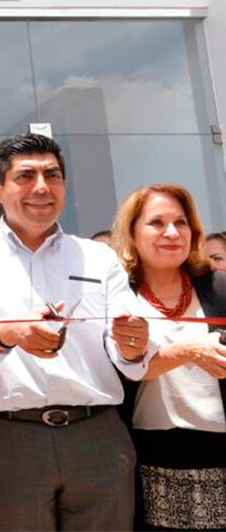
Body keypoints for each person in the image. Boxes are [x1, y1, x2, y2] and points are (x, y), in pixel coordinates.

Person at [0, 133, 151, 531]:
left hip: (97, 434)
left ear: (64, 187)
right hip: (5, 436)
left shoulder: (98, 257)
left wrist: (135, 346)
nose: (41, 187)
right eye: (26, 176)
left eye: (52, 175)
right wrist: (5, 336)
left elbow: (130, 353)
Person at [111, 184, 226, 530]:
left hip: (219, 447)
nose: (172, 233)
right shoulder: (117, 293)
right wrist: (190, 351)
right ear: (132, 232)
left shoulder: (218, 287)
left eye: (181, 222)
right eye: (157, 223)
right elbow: (122, 369)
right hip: (150, 454)